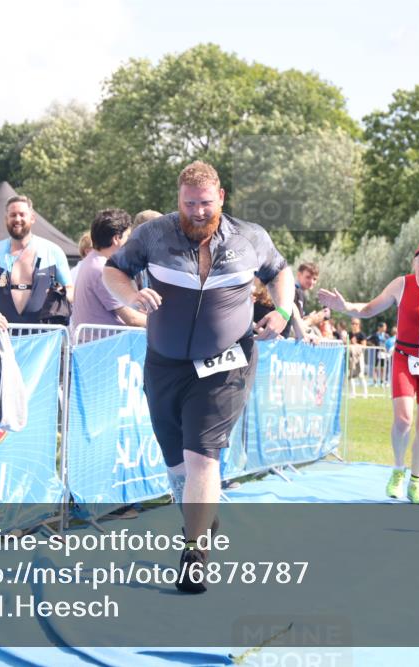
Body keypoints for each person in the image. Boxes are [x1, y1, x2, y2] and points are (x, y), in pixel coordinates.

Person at [102, 160, 293, 593]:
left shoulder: (250, 238)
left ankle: (193, 553)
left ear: (221, 197)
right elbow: (111, 270)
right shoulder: (154, 235)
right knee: (176, 466)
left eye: (205, 203)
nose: (198, 212)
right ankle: (203, 517)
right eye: (189, 204)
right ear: (178, 201)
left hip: (226, 364)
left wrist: (282, 311)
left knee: (202, 456)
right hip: (164, 363)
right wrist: (132, 293)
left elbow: (281, 272)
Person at [319, 242, 419, 505]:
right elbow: (369, 309)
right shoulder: (401, 285)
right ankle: (398, 470)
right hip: (405, 359)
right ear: (414, 265)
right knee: (404, 420)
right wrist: (344, 305)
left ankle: (416, 482)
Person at [0, 195, 73, 324]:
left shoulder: (53, 251)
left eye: (22, 214)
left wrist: (60, 294)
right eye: (13, 215)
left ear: (32, 218)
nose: (17, 219)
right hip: (0, 334)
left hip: (42, 335)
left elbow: (71, 290)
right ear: (6, 219)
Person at [70, 208, 145, 331]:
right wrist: (163, 324)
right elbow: (132, 319)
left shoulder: (92, 260)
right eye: (128, 236)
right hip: (106, 347)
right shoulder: (102, 269)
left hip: (98, 346)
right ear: (116, 238)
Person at [349, 332, 369, 398]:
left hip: (360, 362)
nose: (353, 339)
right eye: (352, 338)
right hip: (352, 362)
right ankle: (353, 393)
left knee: (361, 376)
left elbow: (364, 347)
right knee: (351, 377)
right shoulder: (349, 346)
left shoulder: (359, 345)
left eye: (354, 338)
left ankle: (365, 393)